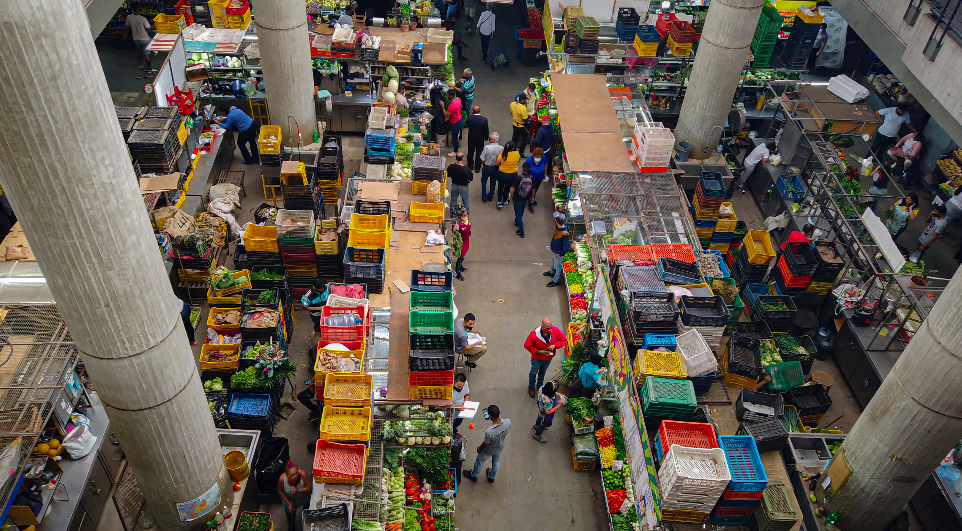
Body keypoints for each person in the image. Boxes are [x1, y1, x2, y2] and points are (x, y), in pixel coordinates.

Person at [463, 405, 511, 483]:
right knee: (496, 462)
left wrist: (479, 448)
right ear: (499, 412)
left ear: (490, 416)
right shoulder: (508, 422)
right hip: (500, 447)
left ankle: (474, 475)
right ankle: (491, 477)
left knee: (479, 462)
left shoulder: (489, 432)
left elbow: (485, 444)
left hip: (488, 450)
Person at [524, 318, 566, 397]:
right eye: (547, 328)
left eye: (551, 327)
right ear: (542, 327)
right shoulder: (535, 334)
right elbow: (527, 345)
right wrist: (539, 351)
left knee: (542, 372)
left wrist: (555, 345)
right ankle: (531, 386)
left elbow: (563, 340)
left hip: (548, 358)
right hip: (537, 359)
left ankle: (540, 385)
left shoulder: (555, 330)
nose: (550, 330)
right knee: (533, 373)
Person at [278, 462, 312, 531]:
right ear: (287, 475)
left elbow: (309, 486)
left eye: (296, 473)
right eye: (292, 475)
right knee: (290, 516)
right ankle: (291, 527)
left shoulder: (303, 474)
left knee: (306, 511)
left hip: (303, 497)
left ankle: (306, 522)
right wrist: (289, 504)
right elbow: (280, 491)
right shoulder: (282, 480)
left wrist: (298, 490)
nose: (295, 476)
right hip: (290, 500)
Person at [544, 212, 571, 288]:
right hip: (555, 250)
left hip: (558, 253)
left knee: (558, 267)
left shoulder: (564, 233)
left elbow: (566, 247)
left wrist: (559, 254)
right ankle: (552, 272)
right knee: (554, 262)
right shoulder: (560, 226)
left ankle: (555, 281)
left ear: (556, 221)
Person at [510, 163, 534, 238]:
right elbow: (533, 189)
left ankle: (521, 231)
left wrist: (510, 195)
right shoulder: (532, 178)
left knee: (518, 214)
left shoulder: (519, 178)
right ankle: (517, 221)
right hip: (526, 198)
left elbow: (513, 188)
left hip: (517, 198)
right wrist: (532, 197)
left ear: (522, 169)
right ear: (529, 169)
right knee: (521, 211)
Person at [301, 279, 326, 345]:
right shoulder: (308, 296)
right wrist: (318, 308)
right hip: (316, 315)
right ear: (314, 287)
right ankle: (317, 338)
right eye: (320, 289)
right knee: (318, 326)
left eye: (323, 289)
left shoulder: (326, 288)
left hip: (326, 313)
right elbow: (306, 307)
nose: (322, 290)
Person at [479, 132, 503, 203]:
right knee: (493, 182)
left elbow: (482, 158)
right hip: (495, 167)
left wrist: (484, 163)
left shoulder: (487, 147)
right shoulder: (501, 148)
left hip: (486, 167)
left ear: (492, 140)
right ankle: (490, 196)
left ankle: (484, 196)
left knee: (484, 181)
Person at [496, 141, 520, 208]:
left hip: (502, 174)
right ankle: (505, 200)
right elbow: (518, 161)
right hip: (512, 175)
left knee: (500, 187)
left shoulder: (502, 154)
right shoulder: (517, 154)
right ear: (513, 148)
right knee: (507, 188)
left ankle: (499, 201)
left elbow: (497, 164)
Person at [465, 105, 488, 173]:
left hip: (471, 137)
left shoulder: (469, 119)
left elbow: (467, 125)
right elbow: (486, 130)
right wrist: (486, 137)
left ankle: (470, 165)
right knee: (479, 152)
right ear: (479, 111)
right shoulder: (484, 120)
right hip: (480, 138)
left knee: (470, 151)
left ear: (472, 112)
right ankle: (477, 167)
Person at [532, 115, 555, 180]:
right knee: (545, 162)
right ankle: (545, 174)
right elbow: (553, 139)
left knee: (538, 162)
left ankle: (539, 174)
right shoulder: (552, 128)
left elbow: (537, 141)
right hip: (548, 149)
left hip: (541, 150)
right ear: (549, 121)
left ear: (542, 121)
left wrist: (533, 140)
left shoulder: (541, 130)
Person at [525, 147, 548, 212]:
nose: (538, 158)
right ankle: (530, 203)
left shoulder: (543, 157)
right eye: (536, 157)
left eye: (539, 157)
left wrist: (545, 173)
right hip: (531, 178)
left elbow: (546, 163)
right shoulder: (529, 160)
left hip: (539, 178)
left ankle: (532, 198)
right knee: (531, 190)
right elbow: (525, 169)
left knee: (535, 189)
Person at [452, 205, 471, 280]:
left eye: (466, 214)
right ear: (460, 216)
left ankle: (461, 267)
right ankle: (457, 272)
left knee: (463, 256)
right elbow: (454, 232)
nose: (466, 216)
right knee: (461, 257)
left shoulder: (466, 220)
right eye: (464, 215)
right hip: (461, 243)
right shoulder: (457, 224)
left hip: (466, 241)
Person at [443, 88, 464, 156]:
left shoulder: (452, 105)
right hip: (460, 119)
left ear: (451, 96)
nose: (447, 96)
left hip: (455, 122)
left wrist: (442, 106)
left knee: (454, 137)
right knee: (457, 134)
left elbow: (446, 115)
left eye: (448, 95)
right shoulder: (458, 99)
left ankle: (455, 151)